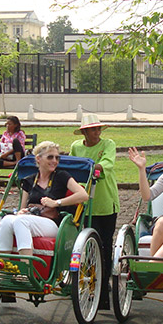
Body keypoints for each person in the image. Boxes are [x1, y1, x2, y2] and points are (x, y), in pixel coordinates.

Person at [0, 141, 88, 257]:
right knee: (6, 220)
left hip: (52, 223)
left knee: (20, 221)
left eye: (57, 158)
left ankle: (27, 265)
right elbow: (22, 207)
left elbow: (83, 195)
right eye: (50, 157)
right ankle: (3, 262)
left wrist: (56, 203)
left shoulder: (61, 176)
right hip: (30, 218)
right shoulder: (29, 180)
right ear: (38, 159)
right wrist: (20, 211)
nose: (55, 161)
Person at [70, 114, 119, 310]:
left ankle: (103, 284)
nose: (97, 133)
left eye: (98, 129)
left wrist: (88, 167)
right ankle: (88, 282)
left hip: (105, 201)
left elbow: (106, 164)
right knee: (86, 245)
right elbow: (71, 168)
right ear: (84, 132)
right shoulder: (76, 146)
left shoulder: (108, 144)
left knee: (105, 245)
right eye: (92, 130)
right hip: (84, 203)